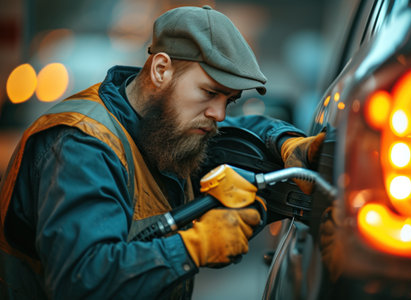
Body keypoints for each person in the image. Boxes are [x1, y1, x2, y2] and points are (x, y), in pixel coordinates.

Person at [0, 5, 324, 299]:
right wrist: (196, 246)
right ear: (160, 70)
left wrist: (285, 143)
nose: (220, 114)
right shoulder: (81, 147)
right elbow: (80, 282)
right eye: (210, 92)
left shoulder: (163, 126)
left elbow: (239, 131)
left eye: (229, 100)